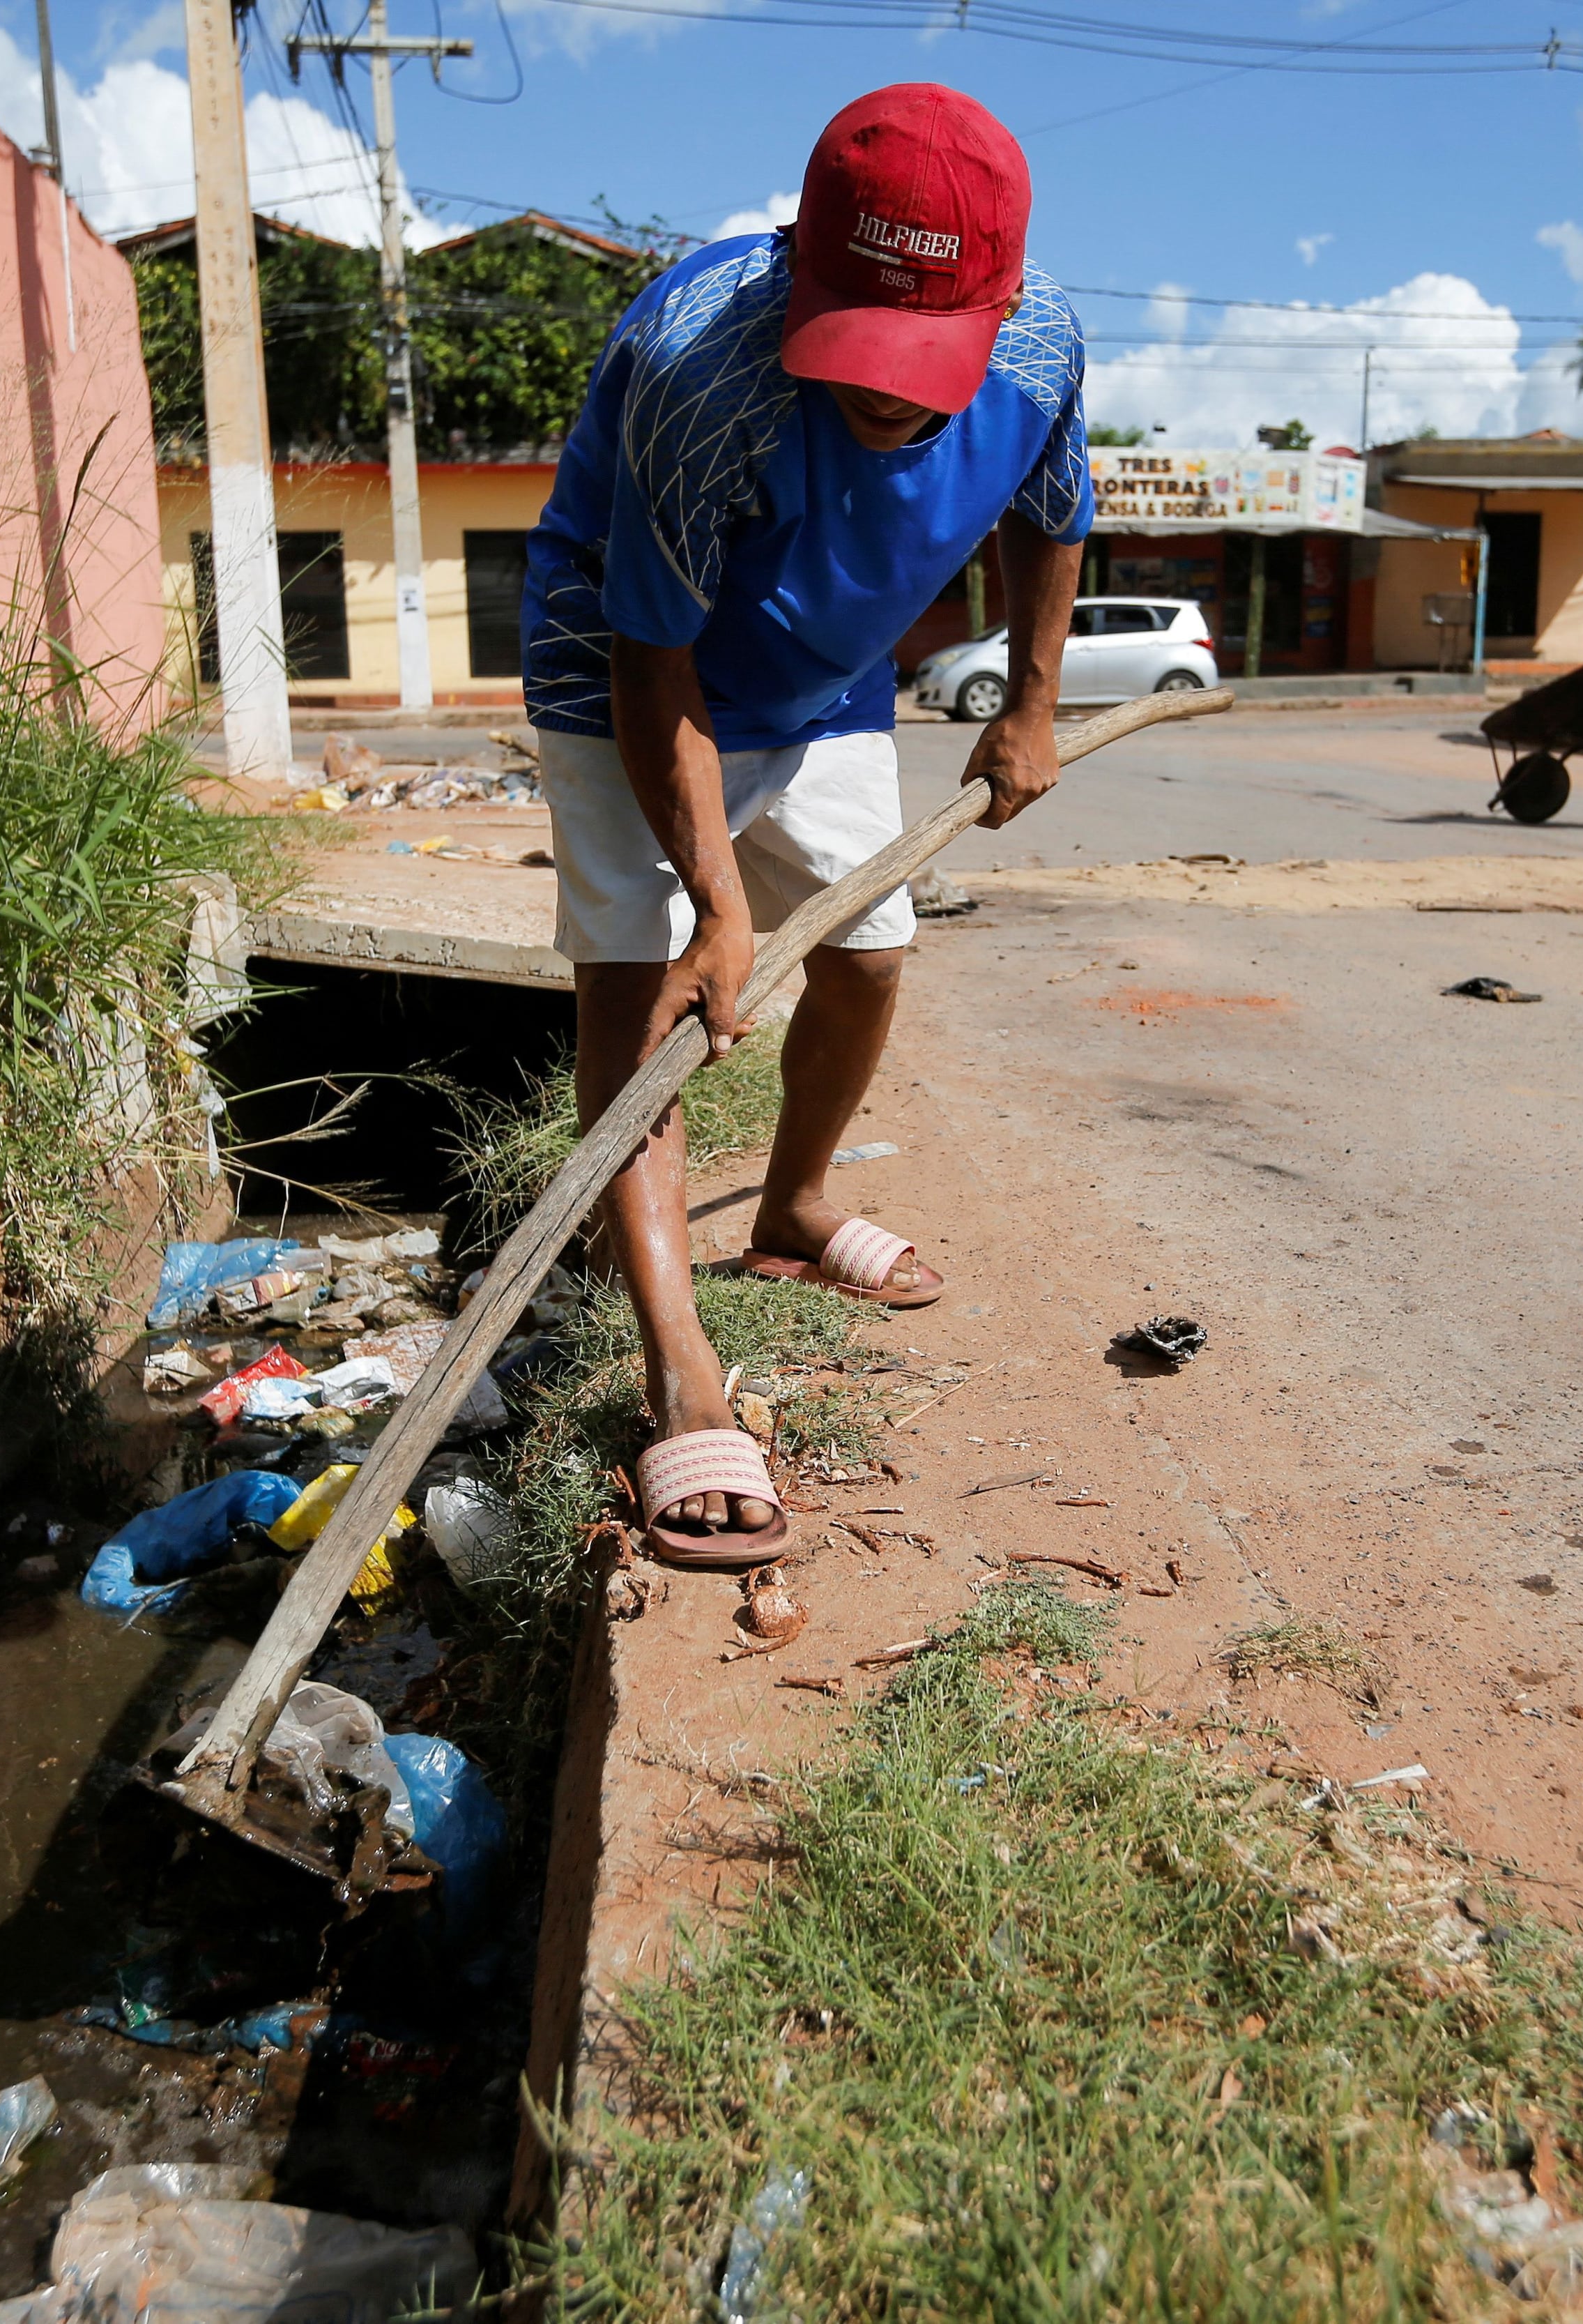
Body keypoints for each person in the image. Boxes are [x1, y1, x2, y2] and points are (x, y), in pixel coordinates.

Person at [517, 84, 1092, 1568]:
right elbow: (655, 662)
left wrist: (1028, 699)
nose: (884, 392)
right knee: (642, 1000)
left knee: (870, 954)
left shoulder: (1040, 348)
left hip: (830, 675)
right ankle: (676, 1363)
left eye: (920, 355)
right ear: (799, 262)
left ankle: (792, 1204)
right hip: (630, 672)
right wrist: (716, 901)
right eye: (856, 342)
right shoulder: (696, 368)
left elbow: (1051, 510)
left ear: (1001, 298)